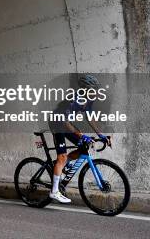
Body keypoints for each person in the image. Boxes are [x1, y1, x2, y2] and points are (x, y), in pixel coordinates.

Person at [48, 74, 110, 203]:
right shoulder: (75, 99)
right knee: (62, 157)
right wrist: (81, 135)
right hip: (57, 123)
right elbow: (64, 122)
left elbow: (90, 117)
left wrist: (100, 135)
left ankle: (63, 165)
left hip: (67, 124)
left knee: (83, 147)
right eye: (94, 89)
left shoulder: (89, 99)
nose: (96, 92)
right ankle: (54, 191)